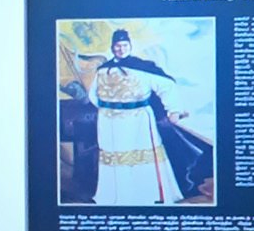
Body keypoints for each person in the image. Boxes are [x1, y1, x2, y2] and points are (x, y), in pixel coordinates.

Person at [77, 24, 214, 206]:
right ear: (112, 48)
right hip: (109, 121)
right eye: (117, 46)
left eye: (124, 45)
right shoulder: (103, 70)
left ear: (130, 46)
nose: (121, 49)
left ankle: (144, 196)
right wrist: (109, 108)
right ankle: (114, 198)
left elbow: (167, 86)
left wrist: (173, 109)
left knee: (140, 160)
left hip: (137, 119)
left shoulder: (143, 68)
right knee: (113, 159)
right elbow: (94, 94)